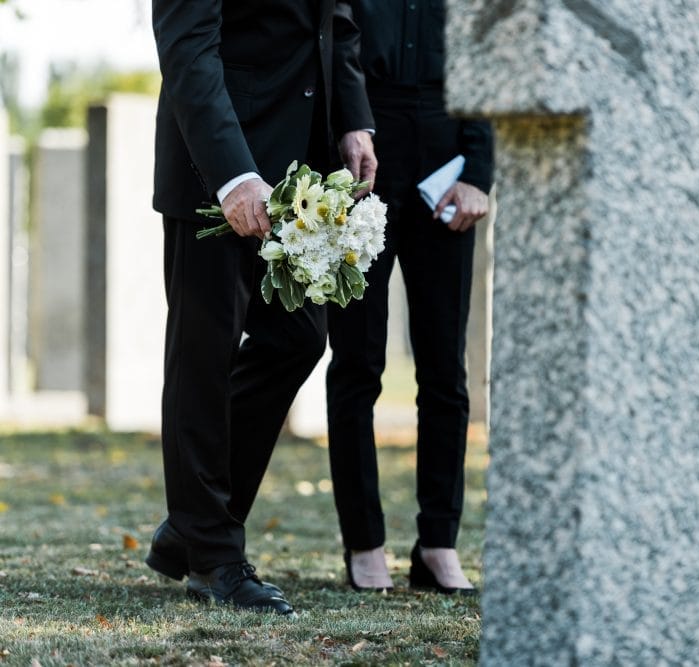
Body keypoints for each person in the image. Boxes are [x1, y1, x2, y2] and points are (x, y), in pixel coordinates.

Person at [145, 0, 377, 614]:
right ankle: (214, 557)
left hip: (302, 166)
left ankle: (192, 528)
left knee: (298, 339)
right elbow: (188, 47)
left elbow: (338, 21)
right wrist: (232, 176)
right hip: (216, 167)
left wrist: (354, 120)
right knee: (203, 358)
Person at [325, 0, 494, 593]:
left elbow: (492, 56)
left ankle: (439, 544)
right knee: (357, 362)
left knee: (446, 368)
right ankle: (364, 543)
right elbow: (334, 40)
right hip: (361, 148)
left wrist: (479, 171)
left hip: (448, 157)